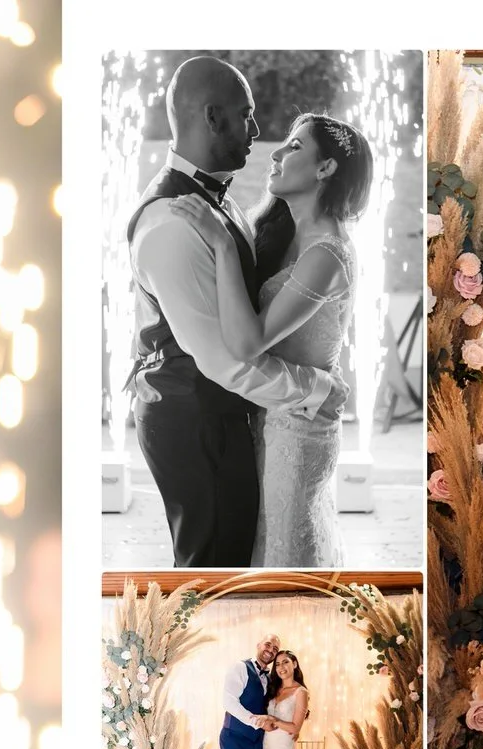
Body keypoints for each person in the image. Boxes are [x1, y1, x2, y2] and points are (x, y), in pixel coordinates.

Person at [124, 55, 346, 567]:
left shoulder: (218, 202)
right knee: (212, 576)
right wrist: (316, 389)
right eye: (246, 115)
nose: (257, 128)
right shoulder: (173, 223)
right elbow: (225, 360)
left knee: (238, 562)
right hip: (195, 418)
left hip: (222, 415)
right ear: (211, 118)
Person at [163, 112, 375, 566]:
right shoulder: (281, 230)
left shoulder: (328, 254)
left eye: (295, 146)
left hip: (300, 429)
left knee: (285, 557)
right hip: (268, 413)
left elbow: (247, 341)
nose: (276, 153)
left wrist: (220, 245)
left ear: (326, 169)